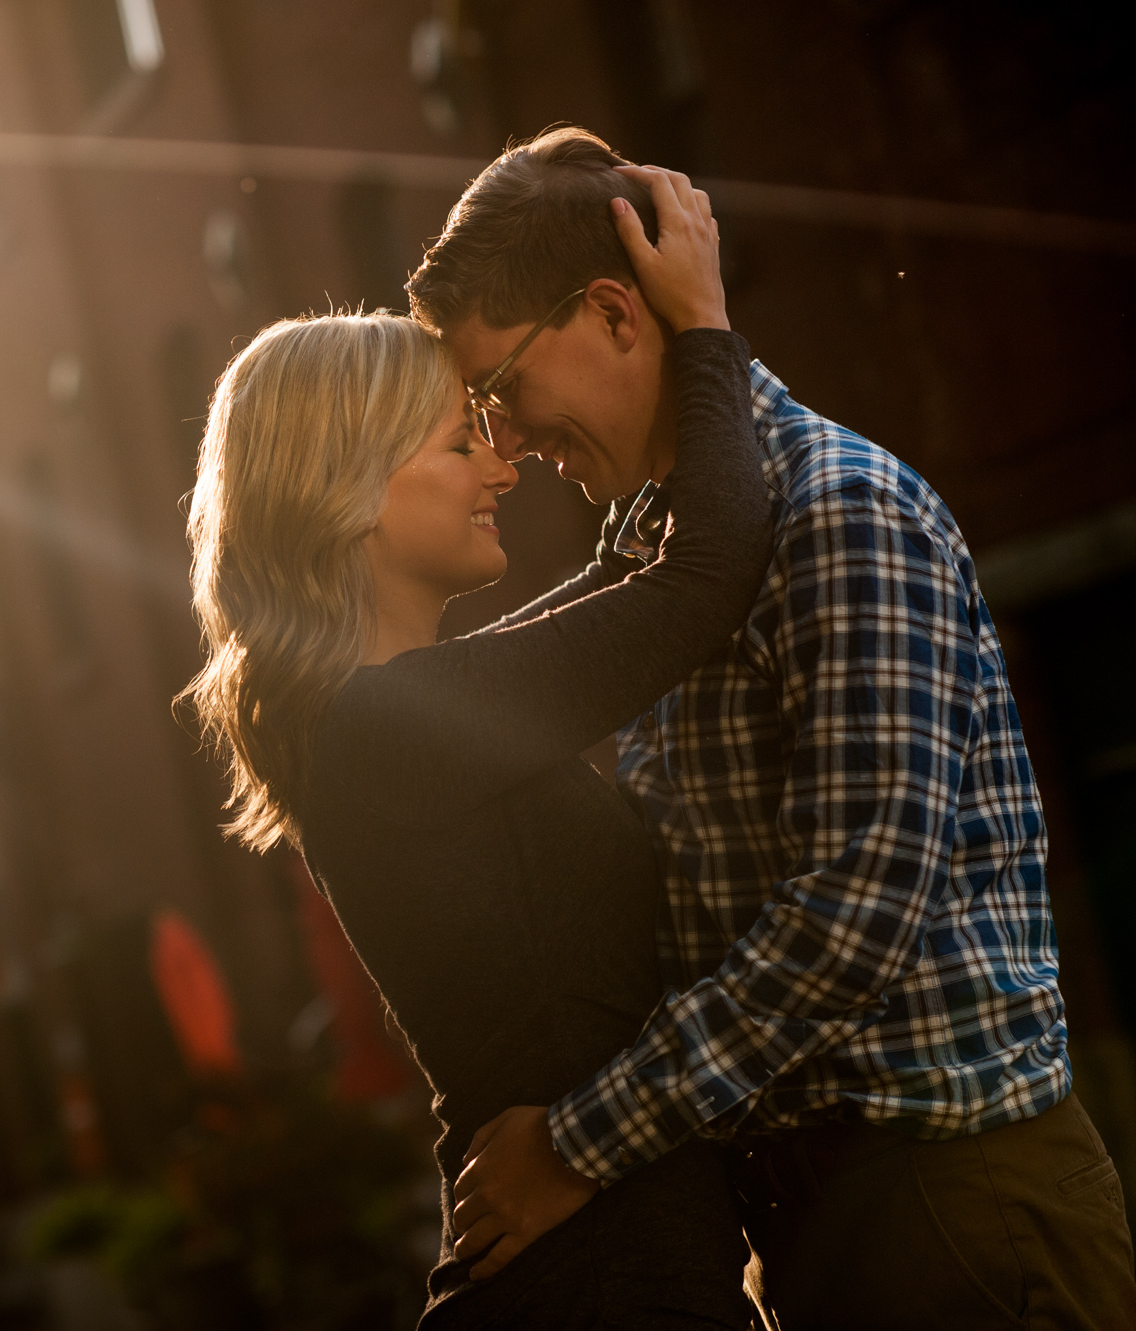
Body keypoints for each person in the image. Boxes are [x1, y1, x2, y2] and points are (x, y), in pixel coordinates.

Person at [408, 126, 1136, 1328]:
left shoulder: (837, 513)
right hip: (826, 1217)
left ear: (609, 313)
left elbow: (850, 915)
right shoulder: (668, 546)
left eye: (500, 389)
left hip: (950, 1212)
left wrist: (577, 1143)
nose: (508, 441)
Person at [184, 166, 768, 1324]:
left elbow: (627, 584)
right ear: (347, 490)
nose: (502, 465)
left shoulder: (406, 711)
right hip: (590, 1282)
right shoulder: (387, 729)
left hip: (615, 1262)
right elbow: (698, 580)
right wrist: (700, 325)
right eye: (462, 444)